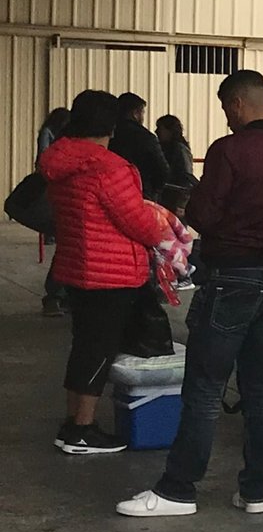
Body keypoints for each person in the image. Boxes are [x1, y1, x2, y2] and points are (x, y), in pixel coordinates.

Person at [116, 71, 263, 518]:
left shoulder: (229, 151)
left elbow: (203, 214)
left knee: (205, 388)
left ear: (241, 105)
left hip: (232, 279)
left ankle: (178, 490)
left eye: (227, 107)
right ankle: (255, 491)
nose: (226, 117)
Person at [38, 90, 170, 455]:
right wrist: (161, 224)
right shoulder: (108, 167)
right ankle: (83, 429)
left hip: (78, 265)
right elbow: (138, 223)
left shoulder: (60, 161)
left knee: (84, 345)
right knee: (99, 350)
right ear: (111, 124)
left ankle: (72, 423)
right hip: (110, 272)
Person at [36, 106, 72, 318]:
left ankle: (58, 295)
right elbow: (45, 160)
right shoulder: (52, 136)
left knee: (66, 249)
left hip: (60, 194)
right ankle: (55, 296)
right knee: (67, 249)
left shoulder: (58, 137)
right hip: (58, 193)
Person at [109, 92, 169, 201]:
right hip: (141, 194)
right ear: (135, 113)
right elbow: (162, 170)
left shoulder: (108, 134)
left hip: (110, 192)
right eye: (142, 113)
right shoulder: (146, 137)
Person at [154, 114, 198, 218]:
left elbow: (187, 178)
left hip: (175, 200)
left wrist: (181, 204)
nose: (156, 131)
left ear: (170, 130)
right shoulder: (164, 148)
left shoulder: (180, 150)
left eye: (160, 128)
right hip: (166, 199)